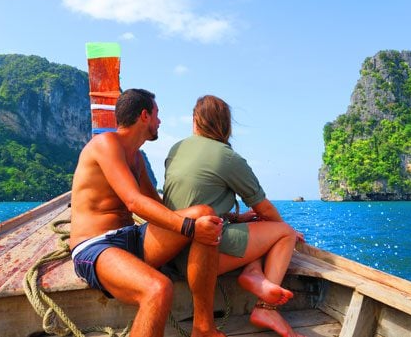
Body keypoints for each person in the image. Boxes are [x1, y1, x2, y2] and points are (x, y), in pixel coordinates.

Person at [69, 89, 225, 337]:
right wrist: (189, 228)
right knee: (158, 288)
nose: (159, 121)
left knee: (205, 215)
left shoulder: (137, 157)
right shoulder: (105, 144)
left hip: (132, 237)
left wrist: (222, 219)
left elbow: (157, 205)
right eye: (157, 115)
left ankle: (203, 327)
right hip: (95, 246)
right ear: (144, 116)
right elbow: (134, 202)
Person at [163, 95, 306, 337]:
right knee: (283, 233)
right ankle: (266, 309)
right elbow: (264, 208)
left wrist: (239, 219)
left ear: (195, 121)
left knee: (256, 224)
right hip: (201, 259)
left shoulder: (176, 148)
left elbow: (191, 201)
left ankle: (253, 273)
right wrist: (288, 233)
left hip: (172, 250)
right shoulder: (227, 157)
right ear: (226, 125)